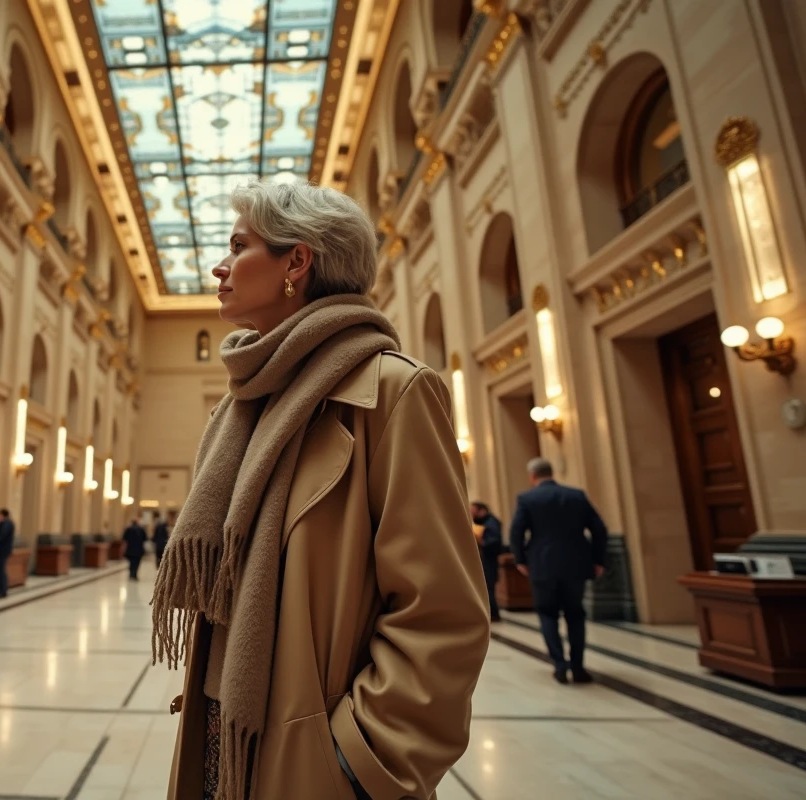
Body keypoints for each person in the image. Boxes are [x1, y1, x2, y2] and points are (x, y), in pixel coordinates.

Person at [153, 181, 489, 800]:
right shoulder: (239, 410)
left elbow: (442, 612)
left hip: (316, 761)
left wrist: (359, 760)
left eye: (238, 245)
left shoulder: (391, 392)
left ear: (297, 262)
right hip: (224, 738)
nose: (218, 266)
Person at [508, 457, 609, 685]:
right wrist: (598, 559)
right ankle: (578, 667)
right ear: (552, 473)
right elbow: (599, 529)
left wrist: (521, 559)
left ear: (532, 476)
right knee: (575, 614)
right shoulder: (576, 495)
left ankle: (559, 665)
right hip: (576, 563)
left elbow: (516, 532)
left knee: (547, 614)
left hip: (541, 565)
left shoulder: (527, 498)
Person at [471, 501, 503, 622]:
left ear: (481, 510)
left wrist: (482, 542)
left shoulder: (491, 522)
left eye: (473, 510)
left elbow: (494, 540)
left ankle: (493, 614)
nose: (471, 513)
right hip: (485, 560)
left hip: (489, 561)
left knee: (489, 588)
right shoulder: (484, 522)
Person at [123, 516, 147, 581]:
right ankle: (135, 574)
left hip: (130, 549)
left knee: (131, 562)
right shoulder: (141, 529)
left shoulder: (128, 529)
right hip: (139, 549)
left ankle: (131, 574)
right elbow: (145, 538)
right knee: (137, 562)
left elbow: (124, 538)